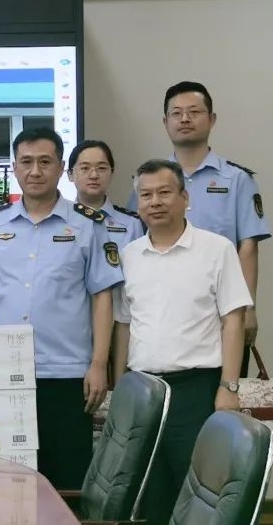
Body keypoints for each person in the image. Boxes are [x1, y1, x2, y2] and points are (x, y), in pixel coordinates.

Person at [0, 127, 123, 489]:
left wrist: (98, 364)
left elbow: (102, 297)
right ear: (14, 167)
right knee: (9, 481)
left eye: (45, 162)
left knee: (67, 479)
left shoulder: (88, 225)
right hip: (6, 373)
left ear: (61, 168)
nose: (35, 171)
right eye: (26, 162)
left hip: (68, 373)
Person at [114, 159, 249, 525]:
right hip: (144, 392)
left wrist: (229, 387)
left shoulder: (216, 249)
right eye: (146, 195)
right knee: (147, 492)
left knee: (197, 492)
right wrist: (119, 386)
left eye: (164, 192)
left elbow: (233, 320)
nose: (155, 202)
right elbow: (124, 325)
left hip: (196, 389)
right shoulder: (128, 256)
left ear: (184, 198)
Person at [129, 81, 268, 374]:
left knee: (225, 389)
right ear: (165, 122)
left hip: (220, 310)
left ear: (212, 119)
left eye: (194, 112)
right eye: (176, 113)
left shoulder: (237, 180)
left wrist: (248, 308)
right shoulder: (149, 181)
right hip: (164, 312)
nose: (185, 119)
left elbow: (248, 247)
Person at [67, 140, 143, 247]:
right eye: (85, 168)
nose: (94, 175)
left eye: (101, 168)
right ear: (70, 174)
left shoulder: (132, 223)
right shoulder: (59, 220)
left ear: (111, 173)